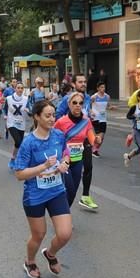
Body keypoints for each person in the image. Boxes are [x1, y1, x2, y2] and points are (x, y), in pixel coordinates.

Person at [14, 100, 72, 278]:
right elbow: (20, 174)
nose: (52, 119)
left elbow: (66, 154)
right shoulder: (28, 142)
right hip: (35, 195)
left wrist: (64, 163)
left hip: (56, 191)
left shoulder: (58, 136)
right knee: (38, 235)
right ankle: (29, 261)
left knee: (65, 234)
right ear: (37, 117)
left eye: (53, 115)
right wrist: (44, 166)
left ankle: (51, 254)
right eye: (47, 115)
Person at [55, 74, 99, 210]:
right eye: (80, 82)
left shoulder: (87, 98)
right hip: (67, 141)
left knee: (88, 167)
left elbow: (87, 117)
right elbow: (57, 116)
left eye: (85, 81)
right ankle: (61, 211)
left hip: (83, 139)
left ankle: (84, 195)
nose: (83, 84)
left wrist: (95, 138)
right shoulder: (66, 100)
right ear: (74, 84)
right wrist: (68, 126)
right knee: (68, 184)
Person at [4, 82, 29, 169]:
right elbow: (5, 109)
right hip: (11, 123)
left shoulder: (26, 99)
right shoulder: (9, 98)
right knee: (19, 141)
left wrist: (28, 110)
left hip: (21, 123)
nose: (20, 90)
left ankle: (13, 158)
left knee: (18, 144)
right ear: (15, 89)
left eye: (22, 88)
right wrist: (5, 115)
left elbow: (29, 110)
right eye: (18, 88)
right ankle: (19, 161)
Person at [89, 82, 116, 157]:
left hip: (103, 118)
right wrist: (91, 112)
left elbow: (108, 105)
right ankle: (94, 150)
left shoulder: (107, 96)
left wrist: (111, 107)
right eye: (101, 87)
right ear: (97, 88)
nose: (103, 89)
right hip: (96, 118)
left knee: (102, 136)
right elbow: (88, 105)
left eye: (104, 87)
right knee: (99, 136)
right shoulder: (94, 97)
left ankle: (95, 149)